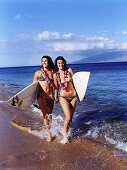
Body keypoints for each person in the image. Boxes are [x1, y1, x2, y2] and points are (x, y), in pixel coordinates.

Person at [33, 56, 58, 142]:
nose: (44, 63)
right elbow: (33, 86)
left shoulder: (52, 73)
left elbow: (56, 86)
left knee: (50, 114)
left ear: (49, 62)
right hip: (41, 96)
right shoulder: (38, 73)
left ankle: (50, 129)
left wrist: (56, 96)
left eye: (46, 61)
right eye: (43, 61)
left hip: (50, 96)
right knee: (45, 114)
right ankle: (49, 134)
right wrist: (32, 99)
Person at [55, 56, 78, 144]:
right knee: (68, 116)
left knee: (70, 117)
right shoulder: (55, 74)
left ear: (64, 63)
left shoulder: (69, 70)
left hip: (73, 96)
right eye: (58, 63)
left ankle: (68, 132)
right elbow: (56, 87)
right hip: (63, 97)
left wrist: (80, 95)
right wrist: (56, 96)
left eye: (62, 63)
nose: (60, 65)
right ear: (56, 64)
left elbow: (77, 82)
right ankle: (65, 137)